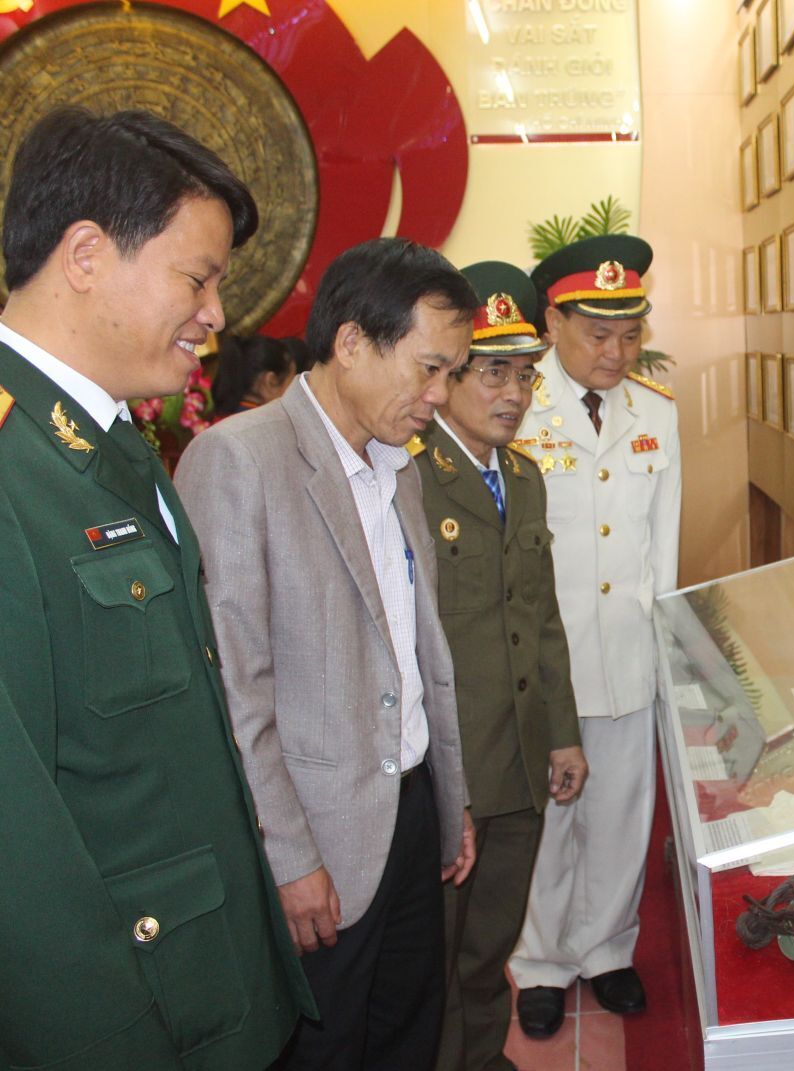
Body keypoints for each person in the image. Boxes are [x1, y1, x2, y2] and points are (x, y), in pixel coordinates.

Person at [0, 105, 313, 1070]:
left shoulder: (114, 443)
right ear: (86, 254)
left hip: (207, 980)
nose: (217, 313)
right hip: (123, 1016)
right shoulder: (15, 469)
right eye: (197, 277)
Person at [174, 237, 479, 1070]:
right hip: (318, 836)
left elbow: (416, 652)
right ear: (351, 342)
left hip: (410, 811)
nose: (440, 395)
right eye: (428, 369)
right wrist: (289, 857)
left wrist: (447, 795)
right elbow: (233, 689)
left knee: (408, 1033)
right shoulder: (240, 458)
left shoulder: (398, 466)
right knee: (325, 1049)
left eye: (451, 372)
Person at [414, 260, 589, 1070]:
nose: (514, 393)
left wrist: (562, 732)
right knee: (437, 952)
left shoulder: (522, 477)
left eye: (524, 374)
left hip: (518, 757)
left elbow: (541, 618)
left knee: (491, 943)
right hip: (452, 769)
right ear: (449, 375)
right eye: (493, 373)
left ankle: (483, 1057)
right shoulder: (411, 477)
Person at [507, 234, 681, 1037]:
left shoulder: (657, 415)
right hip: (547, 663)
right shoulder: (514, 407)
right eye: (598, 334)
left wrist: (667, 657)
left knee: (620, 812)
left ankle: (608, 949)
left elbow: (662, 551)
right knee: (548, 817)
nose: (617, 352)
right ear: (554, 323)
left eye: (630, 334)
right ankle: (541, 960)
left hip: (628, 652)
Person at [213, 333, 296, 416]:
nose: (297, 390)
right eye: (293, 381)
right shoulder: (267, 421)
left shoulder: (224, 416)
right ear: (270, 381)